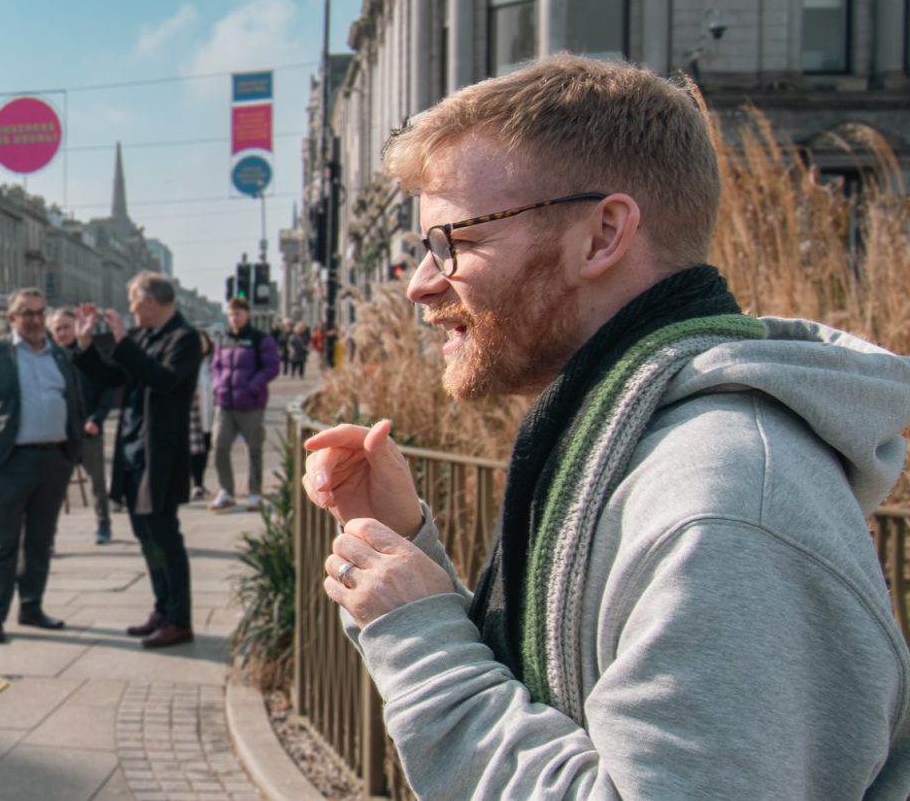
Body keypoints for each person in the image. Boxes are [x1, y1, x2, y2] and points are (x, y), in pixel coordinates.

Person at [303, 54, 910, 797]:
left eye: (452, 241)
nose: (420, 284)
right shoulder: (637, 441)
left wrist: (422, 637)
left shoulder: (725, 508)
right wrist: (404, 552)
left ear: (603, 234)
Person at [72, 272, 202, 650]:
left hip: (159, 454)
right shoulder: (145, 338)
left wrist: (124, 342)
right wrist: (85, 347)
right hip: (132, 450)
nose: (130, 309)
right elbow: (116, 376)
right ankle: (162, 608)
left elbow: (164, 380)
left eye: (133, 301)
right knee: (146, 537)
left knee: (165, 536)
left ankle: (180, 619)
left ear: (150, 301)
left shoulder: (185, 338)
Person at [0, 288, 85, 644]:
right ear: (11, 318)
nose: (34, 319)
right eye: (26, 313)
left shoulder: (59, 356)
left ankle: (32, 607)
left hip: (54, 459)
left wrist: (72, 450)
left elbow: (75, 400)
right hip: (10, 461)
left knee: (41, 540)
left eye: (39, 312)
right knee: (4, 541)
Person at [49, 308, 117, 545]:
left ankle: (104, 526)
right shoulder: (47, 357)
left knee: (97, 482)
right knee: (52, 487)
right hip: (58, 433)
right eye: (57, 328)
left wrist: (97, 418)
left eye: (67, 327)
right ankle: (49, 536)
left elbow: (108, 388)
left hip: (88, 429)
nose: (62, 332)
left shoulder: (88, 353)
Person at [208, 298, 279, 511]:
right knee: (219, 445)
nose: (234, 318)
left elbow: (272, 367)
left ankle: (255, 493)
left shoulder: (259, 339)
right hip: (225, 403)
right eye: (231, 314)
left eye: (238, 313)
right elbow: (216, 366)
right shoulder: (223, 339)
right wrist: (217, 385)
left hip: (251, 404)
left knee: (254, 448)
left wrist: (253, 386)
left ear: (247, 314)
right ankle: (226, 491)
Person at [188, 331, 216, 501]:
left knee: (206, 448)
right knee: (195, 451)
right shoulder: (189, 363)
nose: (201, 346)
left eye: (203, 342)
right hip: (194, 414)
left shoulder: (212, 362)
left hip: (211, 412)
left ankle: (200, 482)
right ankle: (196, 484)